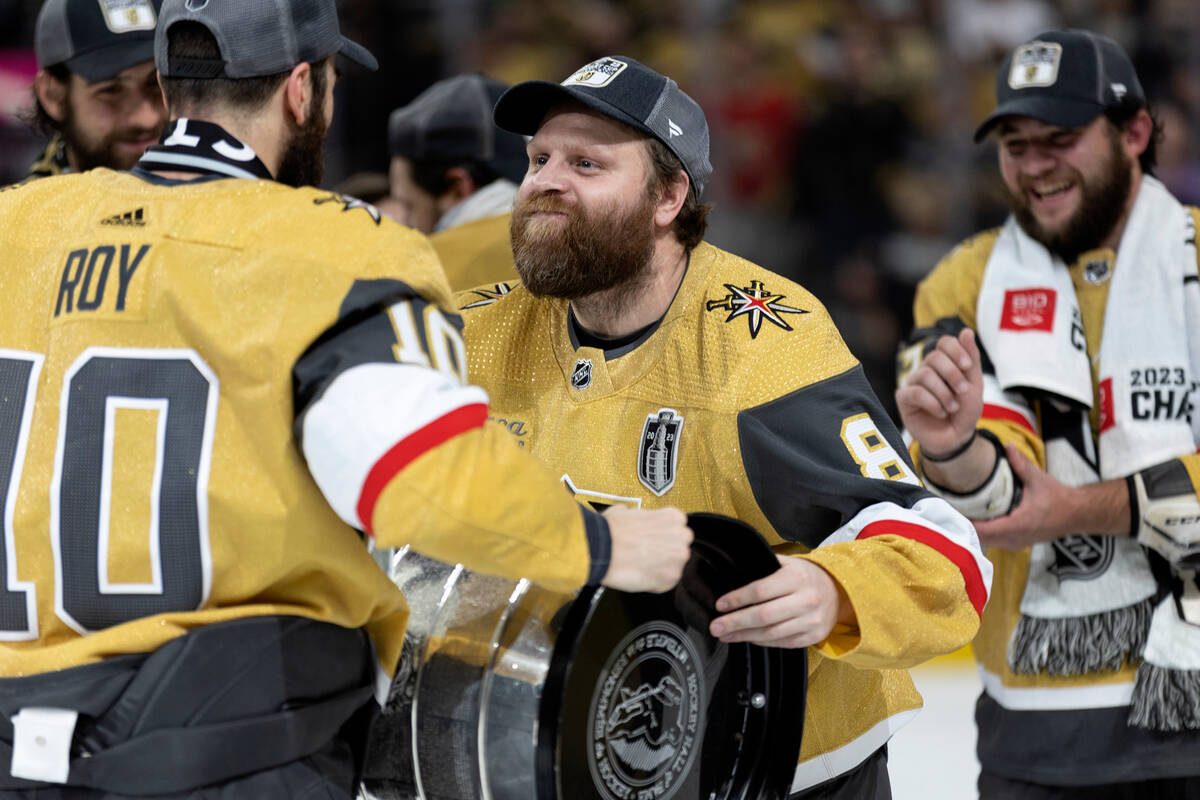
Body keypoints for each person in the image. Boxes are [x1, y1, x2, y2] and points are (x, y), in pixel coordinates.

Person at [0, 2, 693, 797]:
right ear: (303, 90)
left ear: (168, 84)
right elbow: (424, 484)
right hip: (226, 747)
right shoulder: (337, 248)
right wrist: (605, 548)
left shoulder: (16, 224)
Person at [457, 55, 992, 799]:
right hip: (574, 762)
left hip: (779, 771)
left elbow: (943, 549)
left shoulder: (763, 344)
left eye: (586, 162)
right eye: (539, 158)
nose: (546, 180)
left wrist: (834, 588)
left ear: (669, 195)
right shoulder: (473, 334)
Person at [896, 28, 1200, 798]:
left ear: (1135, 132)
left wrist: (1076, 511)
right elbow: (994, 491)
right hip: (1036, 726)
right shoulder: (958, 282)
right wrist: (954, 445)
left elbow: (1045, 508)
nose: (1033, 166)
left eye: (1059, 139)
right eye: (1014, 144)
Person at [387, 74, 527, 290]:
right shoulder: (574, 246)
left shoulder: (420, 271)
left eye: (409, 205)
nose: (404, 224)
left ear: (458, 186)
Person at [25, 0, 168, 181]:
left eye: (157, 84)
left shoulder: (213, 196)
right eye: (111, 90)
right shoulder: (20, 208)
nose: (147, 119)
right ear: (52, 96)